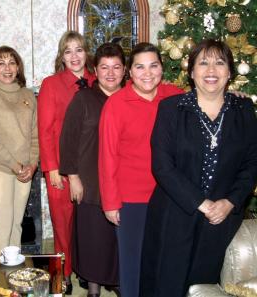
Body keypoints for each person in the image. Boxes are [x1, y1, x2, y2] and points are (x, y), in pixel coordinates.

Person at [140, 39, 257, 297]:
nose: (211, 70)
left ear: (229, 72)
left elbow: (251, 163)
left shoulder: (244, 110)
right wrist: (201, 203)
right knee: (165, 285)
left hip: (220, 221)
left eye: (219, 63)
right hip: (174, 216)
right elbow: (162, 165)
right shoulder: (171, 109)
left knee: (205, 286)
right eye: (203, 63)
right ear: (191, 72)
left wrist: (230, 202)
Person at [98, 42, 184, 297]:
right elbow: (107, 156)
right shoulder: (117, 104)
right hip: (131, 199)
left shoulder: (175, 96)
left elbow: (209, 101)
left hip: (170, 197)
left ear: (162, 68)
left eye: (153, 65)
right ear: (130, 73)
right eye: (140, 67)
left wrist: (234, 96)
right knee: (133, 264)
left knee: (165, 262)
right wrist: (111, 202)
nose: (148, 73)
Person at [59, 43, 124, 297]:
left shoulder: (131, 96)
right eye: (104, 67)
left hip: (122, 181)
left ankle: (118, 281)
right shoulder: (84, 98)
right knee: (93, 239)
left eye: (116, 67)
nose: (110, 73)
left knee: (117, 240)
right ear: (94, 70)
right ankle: (93, 289)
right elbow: (68, 140)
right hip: (90, 182)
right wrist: (73, 178)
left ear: (124, 70)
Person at [38, 31, 96, 293]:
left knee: (88, 224)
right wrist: (50, 167)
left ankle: (87, 269)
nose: (74, 56)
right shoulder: (51, 84)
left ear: (87, 53)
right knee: (63, 225)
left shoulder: (98, 81)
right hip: (61, 169)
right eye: (68, 51)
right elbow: (45, 129)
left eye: (79, 50)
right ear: (61, 57)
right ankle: (64, 271)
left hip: (93, 169)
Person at [0, 46, 38, 255]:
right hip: (0, 169)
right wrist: (15, 165)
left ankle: (12, 276)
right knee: (2, 228)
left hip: (25, 171)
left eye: (12, 62)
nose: (7, 68)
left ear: (18, 67)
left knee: (16, 226)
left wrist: (33, 164)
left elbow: (35, 134)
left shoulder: (27, 95)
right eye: (1, 63)